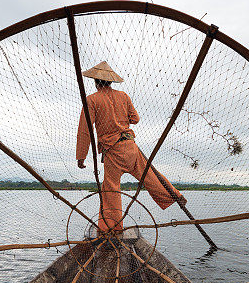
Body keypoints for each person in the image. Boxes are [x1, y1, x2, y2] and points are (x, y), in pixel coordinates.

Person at [76, 61, 185, 233]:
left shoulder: (91, 100)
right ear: (110, 82)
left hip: (113, 152)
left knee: (111, 188)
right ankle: (174, 195)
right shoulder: (124, 96)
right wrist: (121, 116)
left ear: (96, 82)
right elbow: (135, 119)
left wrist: (81, 156)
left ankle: (111, 226)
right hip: (130, 147)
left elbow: (85, 130)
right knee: (149, 175)